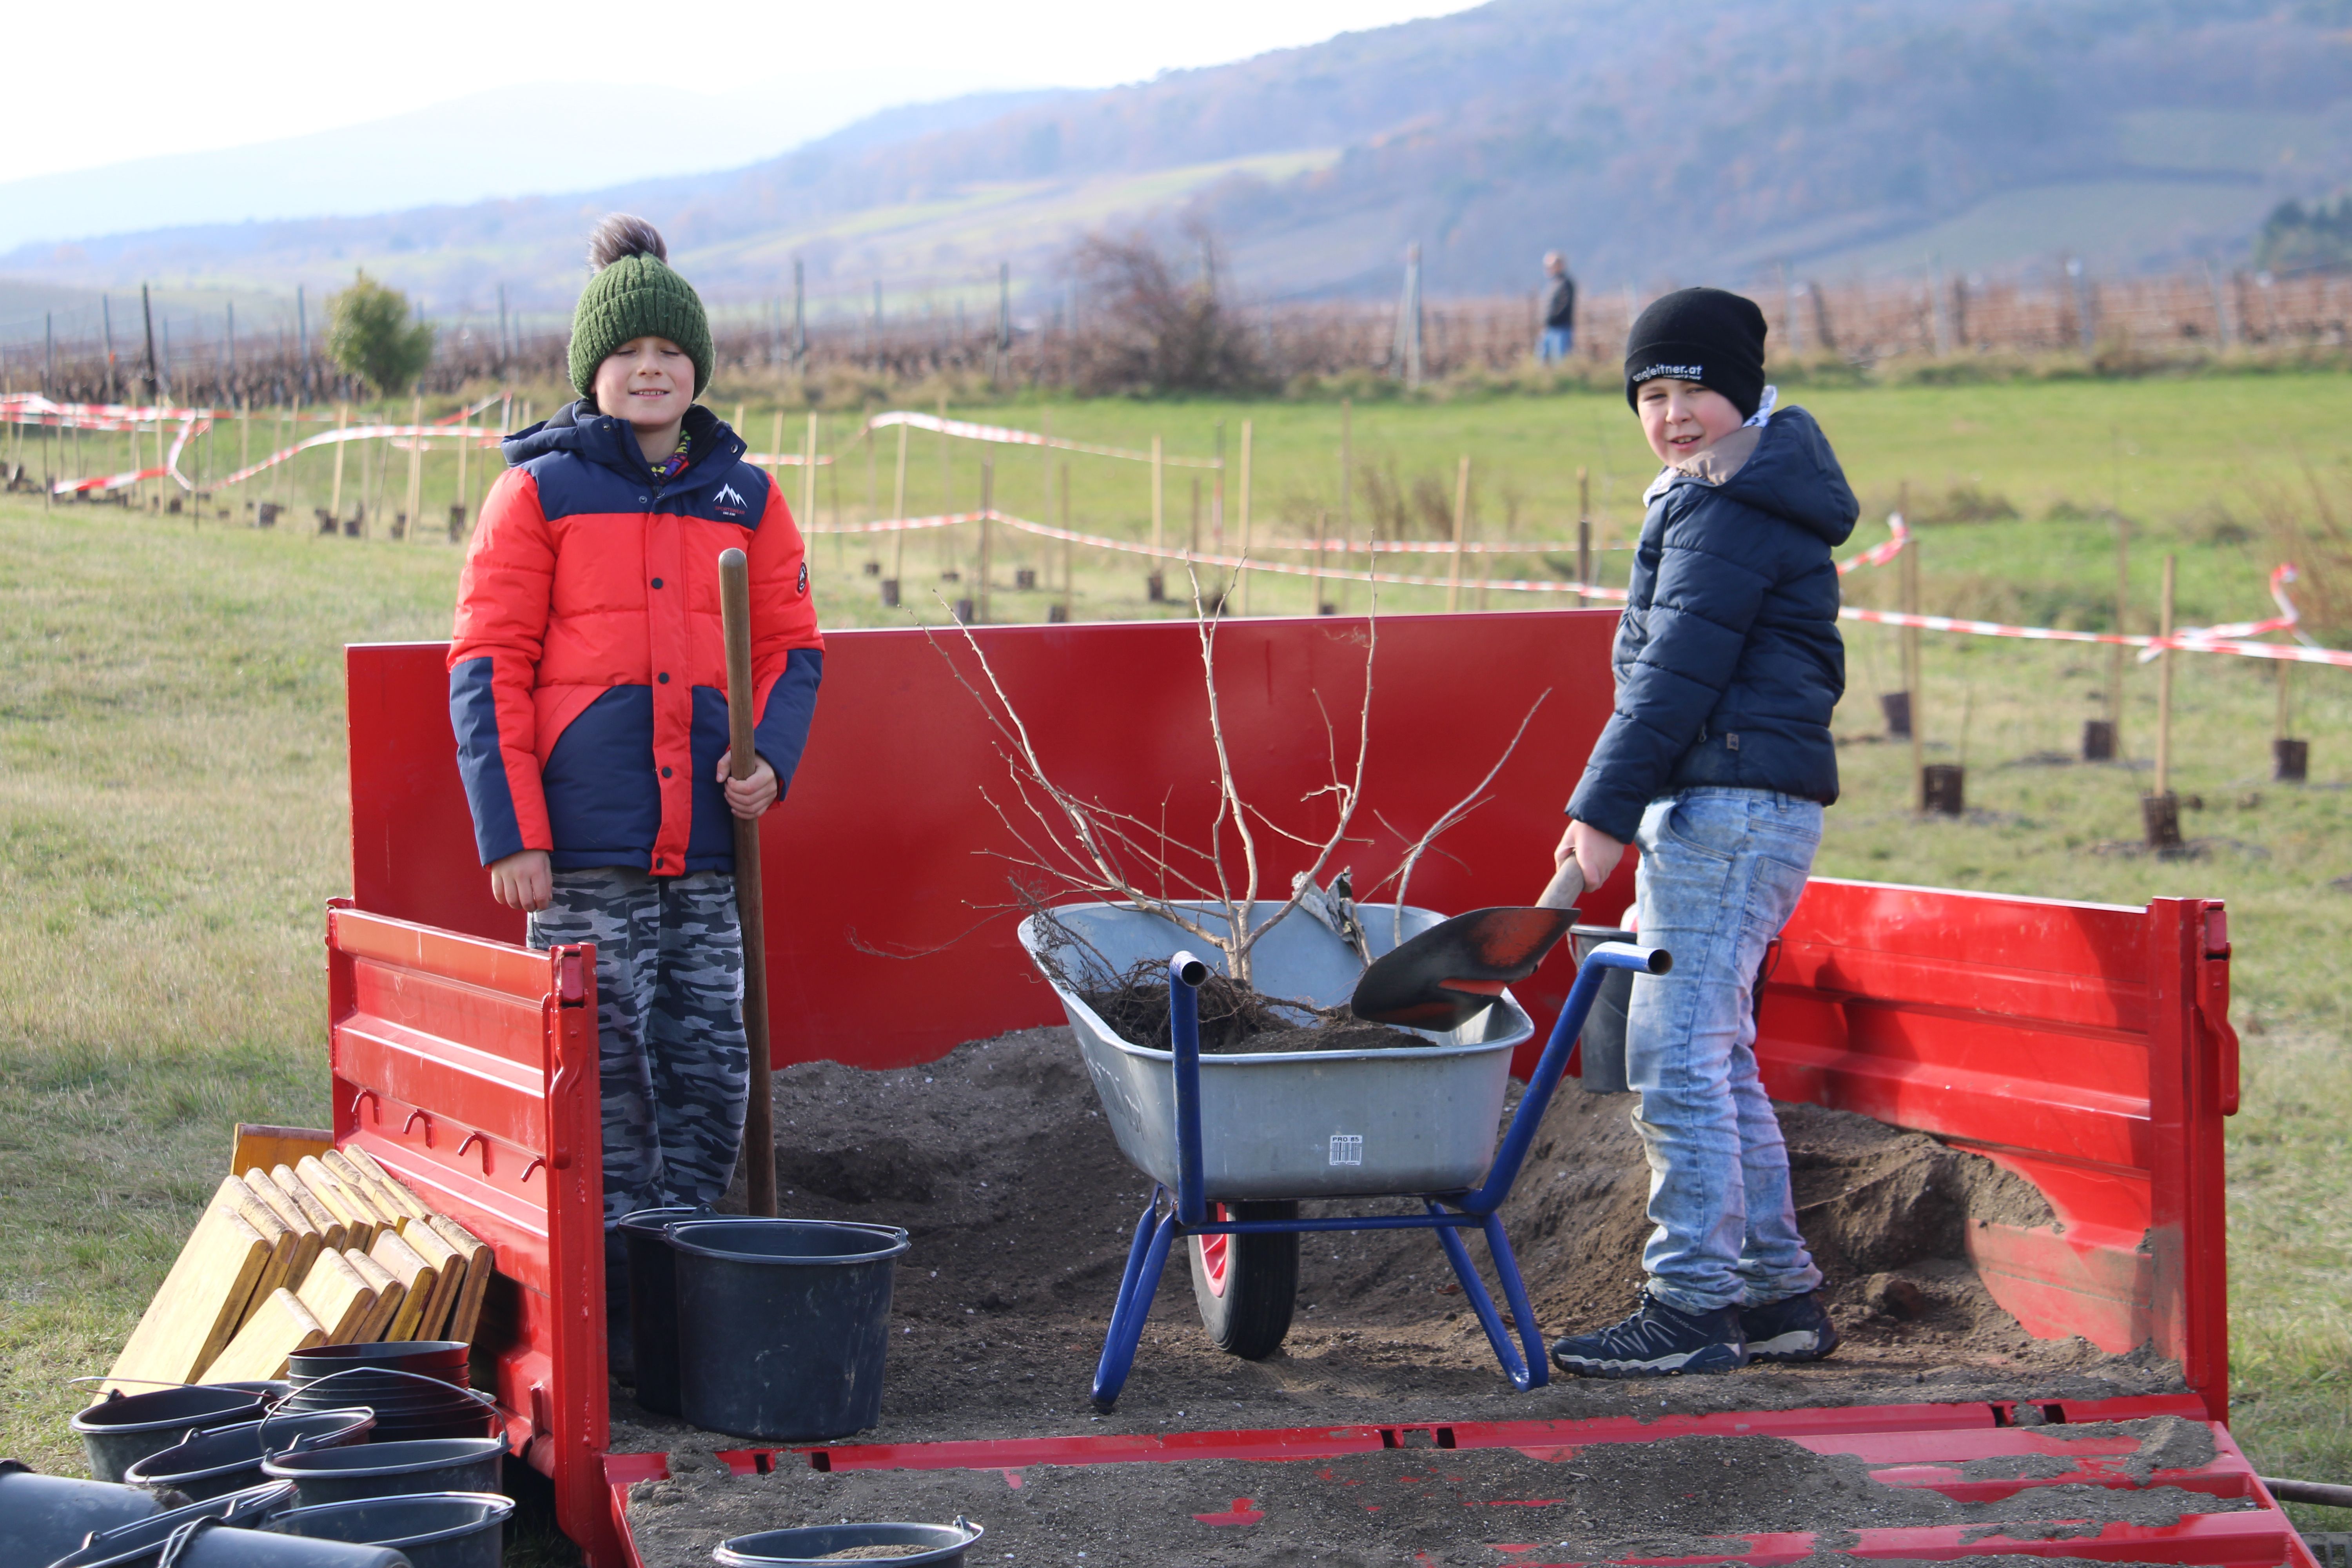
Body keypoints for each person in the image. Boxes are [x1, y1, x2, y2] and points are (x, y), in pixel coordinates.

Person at [447, 214, 824, 1370]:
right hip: (584, 853)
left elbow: (792, 652)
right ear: (592, 372)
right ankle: (612, 1331)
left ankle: (693, 1309)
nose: (650, 368)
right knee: (607, 1094)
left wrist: (767, 763)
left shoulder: (744, 498)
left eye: (670, 349)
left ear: (696, 366)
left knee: (707, 1073)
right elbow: (484, 665)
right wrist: (512, 832)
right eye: (627, 354)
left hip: (706, 853)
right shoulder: (539, 494)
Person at [1546, 286, 1857, 1377]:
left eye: (1696, 391)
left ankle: (1692, 1308)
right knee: (1716, 1063)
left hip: (1727, 805)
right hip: (1733, 802)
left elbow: (1672, 680)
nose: (1675, 413)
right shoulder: (1723, 491)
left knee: (1677, 1063)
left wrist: (1598, 819)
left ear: (1745, 394)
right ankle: (1777, 1298)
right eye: (1653, 392)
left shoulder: (1728, 509)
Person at [1538, 252, 1577, 363]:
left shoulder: (1566, 284)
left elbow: (1564, 306)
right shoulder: (1553, 284)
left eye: (1550, 266)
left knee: (1561, 360)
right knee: (1543, 360)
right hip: (1549, 328)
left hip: (1561, 328)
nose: (1548, 269)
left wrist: (1553, 318)